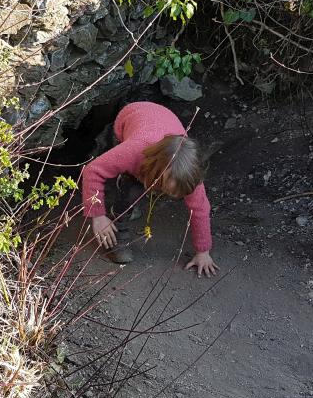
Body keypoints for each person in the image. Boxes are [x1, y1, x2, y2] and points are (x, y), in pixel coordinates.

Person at [81, 101, 218, 277]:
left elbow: (200, 210)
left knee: (145, 187)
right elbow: (93, 171)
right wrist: (98, 216)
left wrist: (203, 251)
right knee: (130, 191)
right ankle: (119, 231)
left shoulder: (188, 173)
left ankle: (145, 192)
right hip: (128, 119)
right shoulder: (133, 152)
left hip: (160, 119)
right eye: (168, 189)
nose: (173, 196)